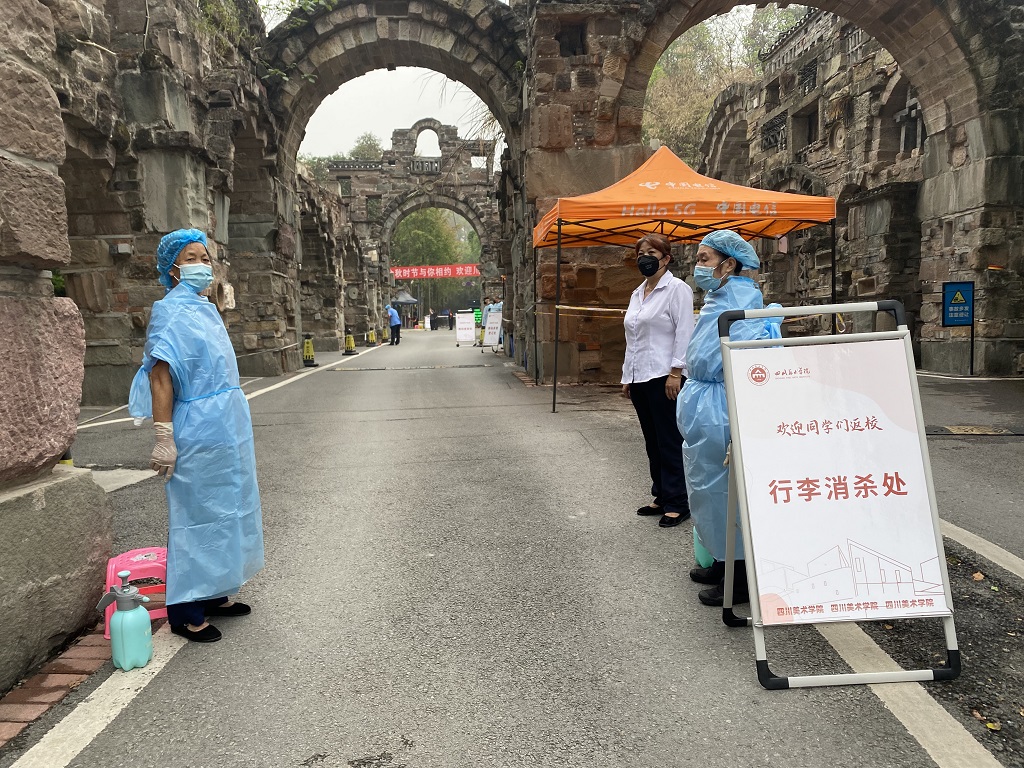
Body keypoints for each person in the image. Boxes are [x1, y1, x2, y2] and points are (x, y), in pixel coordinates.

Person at [127, 229, 265, 643]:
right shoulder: (170, 312)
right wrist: (163, 436)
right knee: (196, 514)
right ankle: (185, 611)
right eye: (191, 258)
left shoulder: (204, 308)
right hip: (198, 425)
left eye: (205, 257)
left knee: (230, 505)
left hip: (226, 424)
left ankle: (215, 592)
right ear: (172, 269)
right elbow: (160, 376)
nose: (202, 265)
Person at [677, 230, 782, 607]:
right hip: (706, 402)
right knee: (708, 488)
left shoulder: (739, 301)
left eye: (704, 259)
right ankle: (724, 561)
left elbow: (736, 359)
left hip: (721, 405)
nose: (698, 267)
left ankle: (739, 576)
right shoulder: (719, 298)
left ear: (729, 264)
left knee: (727, 489)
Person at [621, 234, 695, 529]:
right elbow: (633, 338)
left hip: (665, 376)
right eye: (641, 253)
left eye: (652, 252)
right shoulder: (637, 293)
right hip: (640, 376)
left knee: (669, 439)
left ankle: (678, 501)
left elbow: (684, 332)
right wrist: (628, 376)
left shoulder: (677, 289)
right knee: (652, 440)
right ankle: (661, 494)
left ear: (666, 258)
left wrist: (676, 372)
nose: (645, 258)